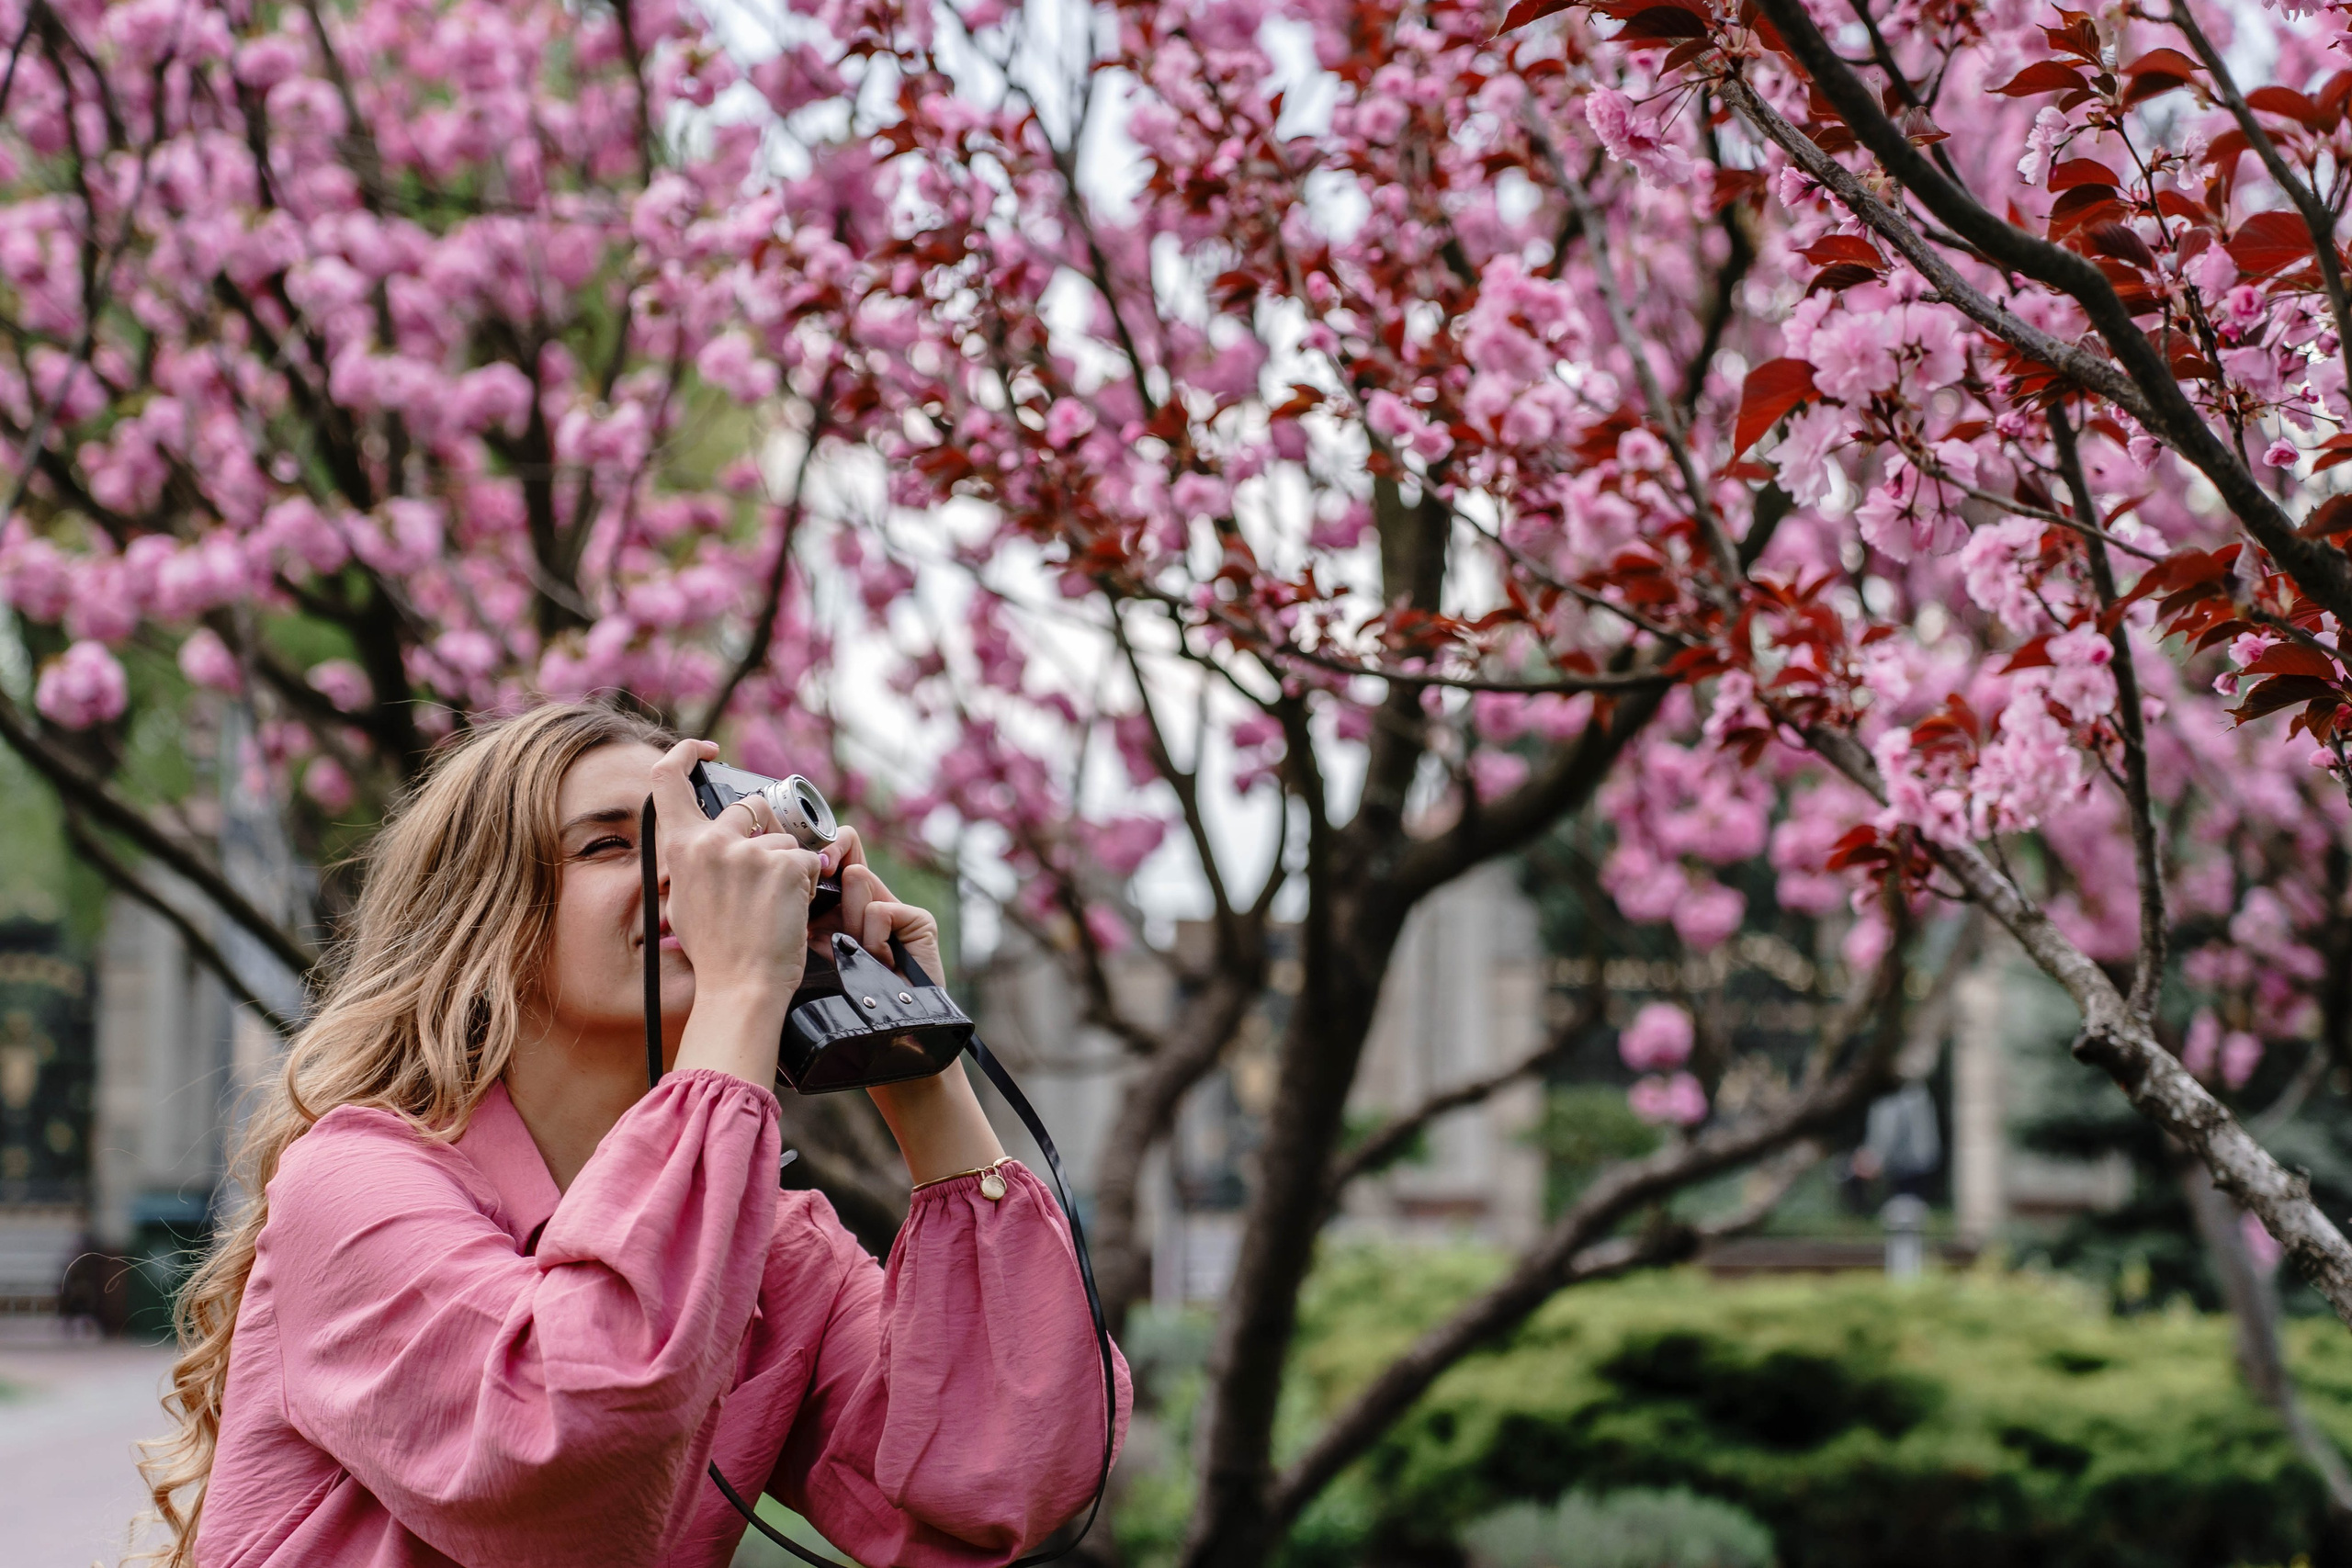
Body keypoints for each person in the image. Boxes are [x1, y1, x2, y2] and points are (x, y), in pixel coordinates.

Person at [136, 703, 1128, 1568]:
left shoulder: (766, 1253)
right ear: (488, 919)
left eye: (700, 843)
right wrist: (741, 989)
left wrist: (913, 1057)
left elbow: (1009, 1471)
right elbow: (560, 1446)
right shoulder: (355, 1181)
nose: (690, 877)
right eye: (612, 845)